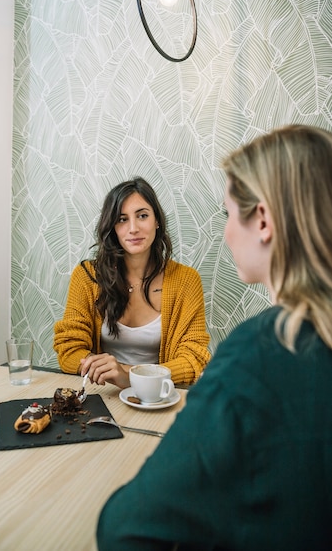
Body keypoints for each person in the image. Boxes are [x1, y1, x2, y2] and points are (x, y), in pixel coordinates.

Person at [96, 124, 332, 550]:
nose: (225, 232)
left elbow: (125, 528)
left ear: (262, 220)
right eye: (122, 219)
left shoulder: (258, 353)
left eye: (227, 214)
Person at [54, 177, 211, 389]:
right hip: (102, 393)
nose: (133, 228)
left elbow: (193, 358)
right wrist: (113, 374)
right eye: (122, 219)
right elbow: (69, 350)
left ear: (157, 221)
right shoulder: (87, 276)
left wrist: (128, 376)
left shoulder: (186, 280)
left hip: (160, 396)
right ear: (112, 227)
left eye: (142, 216)